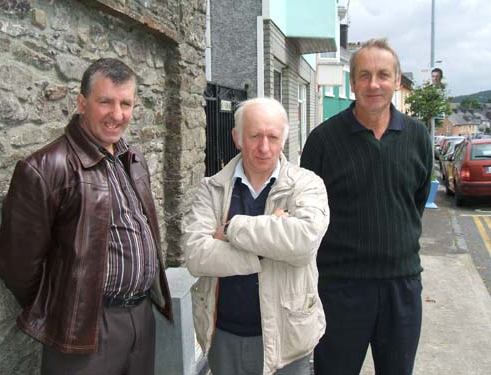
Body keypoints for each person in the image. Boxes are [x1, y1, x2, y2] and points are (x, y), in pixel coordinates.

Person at [0, 58, 172, 375]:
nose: (117, 115)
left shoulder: (131, 158)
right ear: (81, 103)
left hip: (142, 320)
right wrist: (65, 311)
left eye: (126, 103)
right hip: (86, 332)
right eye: (105, 102)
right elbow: (18, 268)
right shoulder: (44, 169)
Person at [300, 38, 432, 375]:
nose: (374, 84)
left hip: (401, 288)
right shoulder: (323, 141)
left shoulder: (418, 137)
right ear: (353, 81)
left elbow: (413, 203)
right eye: (364, 75)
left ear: (397, 81)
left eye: (383, 75)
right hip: (340, 290)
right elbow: (308, 212)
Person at [182, 97, 330, 375]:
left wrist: (229, 229)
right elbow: (195, 254)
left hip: (289, 342)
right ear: (237, 137)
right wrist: (270, 242)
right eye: (255, 136)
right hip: (223, 337)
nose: (264, 147)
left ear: (283, 139)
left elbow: (303, 243)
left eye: (272, 137)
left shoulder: (307, 184)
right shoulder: (211, 189)